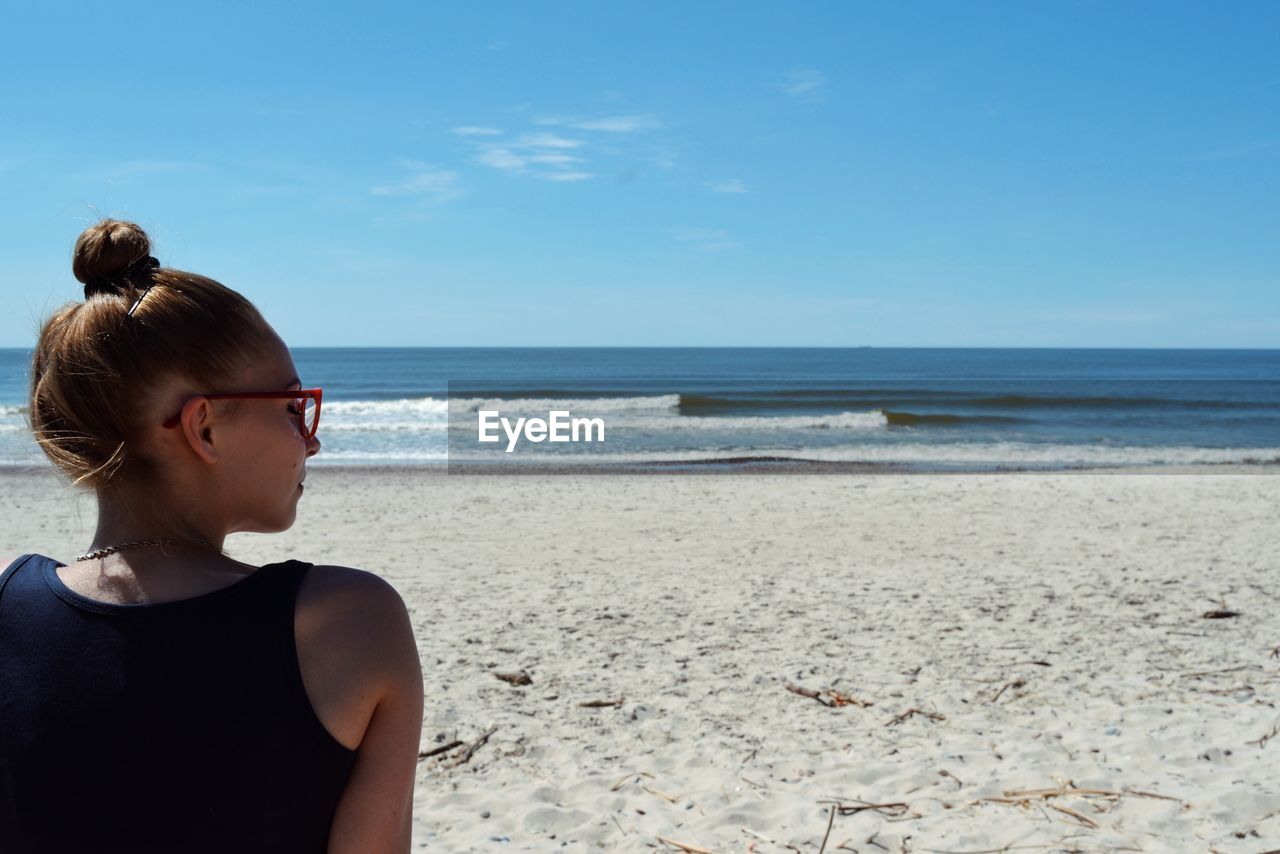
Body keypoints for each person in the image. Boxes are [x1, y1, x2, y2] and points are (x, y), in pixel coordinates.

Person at [0, 220, 424, 853]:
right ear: (204, 429)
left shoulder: (6, 603)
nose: (312, 439)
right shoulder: (349, 623)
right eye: (292, 407)